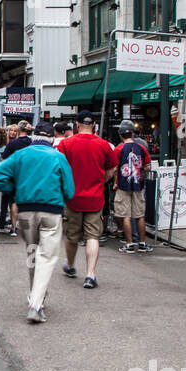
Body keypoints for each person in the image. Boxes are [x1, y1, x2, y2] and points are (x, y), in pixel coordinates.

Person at [0, 122, 75, 322]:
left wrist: (13, 189)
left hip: (26, 211)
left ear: (33, 136)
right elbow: (70, 191)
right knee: (46, 256)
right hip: (51, 211)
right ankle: (36, 305)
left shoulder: (21, 155)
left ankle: (35, 294)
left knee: (32, 252)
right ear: (52, 138)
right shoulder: (58, 157)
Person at [57, 111, 115, 289]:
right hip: (95, 198)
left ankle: (71, 265)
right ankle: (90, 274)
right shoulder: (103, 145)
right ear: (94, 125)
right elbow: (112, 168)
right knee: (93, 236)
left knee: (72, 236)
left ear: (77, 125)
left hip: (72, 197)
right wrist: (101, 181)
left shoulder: (66, 144)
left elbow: (58, 167)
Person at [113, 121, 151, 253]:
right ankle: (142, 243)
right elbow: (147, 166)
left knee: (126, 216)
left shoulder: (118, 149)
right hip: (138, 185)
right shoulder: (142, 148)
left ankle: (129, 244)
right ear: (132, 133)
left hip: (123, 185)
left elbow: (114, 167)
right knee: (140, 215)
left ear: (120, 135)